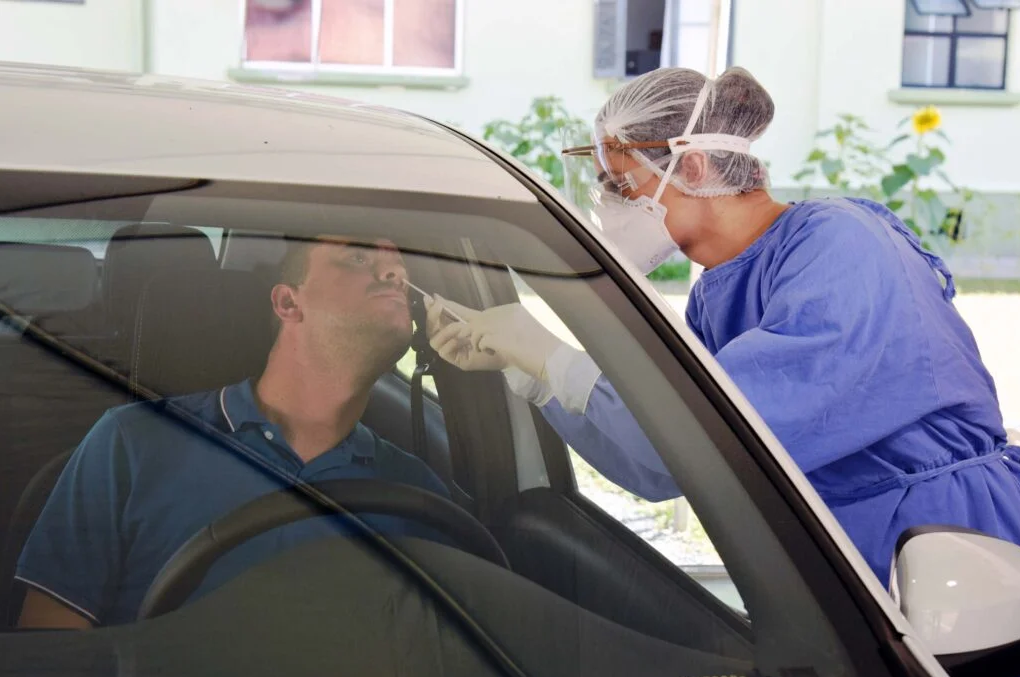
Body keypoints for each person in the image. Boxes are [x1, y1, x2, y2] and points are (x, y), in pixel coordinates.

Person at [426, 66, 1020, 586]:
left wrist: (551, 355)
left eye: (620, 182)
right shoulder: (716, 294)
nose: (609, 204)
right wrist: (534, 377)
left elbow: (718, 421)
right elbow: (666, 461)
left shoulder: (841, 247)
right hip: (850, 551)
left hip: (949, 546)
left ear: (694, 163)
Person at [16, 236, 448, 629]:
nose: (396, 275)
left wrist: (518, 362)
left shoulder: (419, 494)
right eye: (357, 258)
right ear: (288, 303)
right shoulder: (132, 442)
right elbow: (53, 643)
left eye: (401, 269)